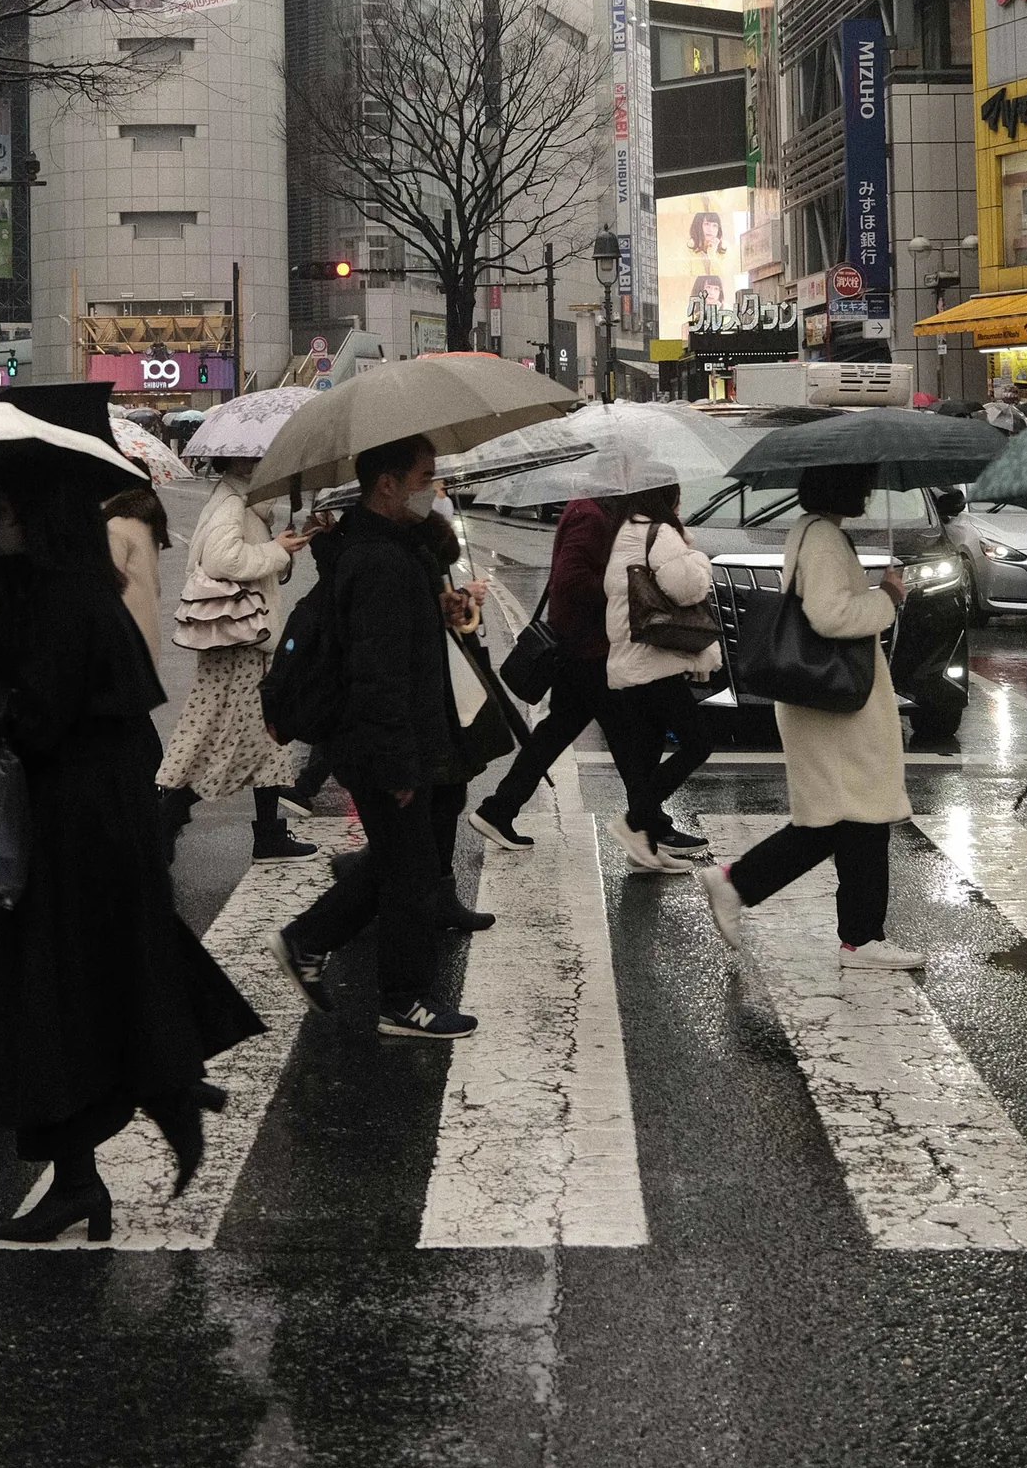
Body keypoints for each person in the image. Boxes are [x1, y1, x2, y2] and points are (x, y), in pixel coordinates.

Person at [0, 459, 262, 1244]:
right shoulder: (70, 584)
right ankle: (134, 1122)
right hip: (95, 817)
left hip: (73, 826)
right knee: (93, 979)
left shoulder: (61, 596)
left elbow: (38, 721)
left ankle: (140, 1115)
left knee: (58, 995)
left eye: (8, 502)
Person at [271, 435, 480, 1041]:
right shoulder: (380, 561)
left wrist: (435, 606)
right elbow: (377, 674)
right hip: (383, 744)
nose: (432, 489)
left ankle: (306, 940)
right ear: (386, 484)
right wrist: (398, 768)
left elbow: (391, 645)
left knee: (397, 861)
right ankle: (403, 1000)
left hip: (383, 739)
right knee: (410, 872)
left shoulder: (387, 548)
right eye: (423, 477)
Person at [701, 464, 922, 970]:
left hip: (831, 702)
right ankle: (741, 885)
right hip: (839, 705)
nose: (869, 490)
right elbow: (829, 615)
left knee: (852, 819)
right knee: (852, 817)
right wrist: (886, 597)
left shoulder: (812, 531)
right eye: (863, 483)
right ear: (843, 488)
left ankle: (859, 936)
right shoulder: (823, 539)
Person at [470, 486, 698, 861]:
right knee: (625, 742)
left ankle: (499, 809)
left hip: (589, 645)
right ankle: (648, 826)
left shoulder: (596, 511)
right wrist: (627, 588)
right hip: (586, 648)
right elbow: (570, 579)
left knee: (570, 733)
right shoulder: (589, 515)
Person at [158, 458, 316, 864]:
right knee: (219, 734)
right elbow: (222, 561)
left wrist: (283, 547)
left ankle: (268, 835)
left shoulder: (240, 501)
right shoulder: (233, 502)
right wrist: (276, 551)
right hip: (241, 643)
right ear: (244, 462)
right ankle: (167, 815)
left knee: (262, 739)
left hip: (245, 638)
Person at [601, 475, 722, 871]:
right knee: (698, 742)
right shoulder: (659, 532)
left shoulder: (624, 531)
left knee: (647, 755)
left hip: (629, 660)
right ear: (665, 496)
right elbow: (688, 589)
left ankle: (645, 848)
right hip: (653, 661)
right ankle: (635, 822)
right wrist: (698, 558)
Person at [103, 477, 169, 661]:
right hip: (147, 623)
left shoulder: (115, 527)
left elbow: (110, 582)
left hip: (124, 627)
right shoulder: (147, 521)